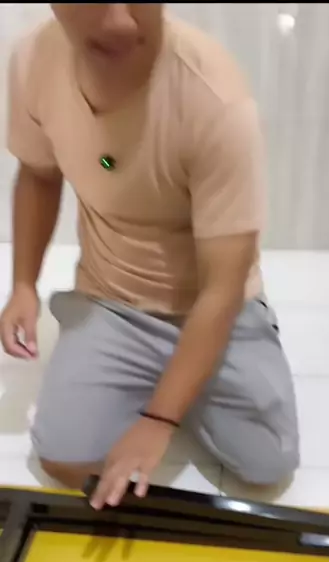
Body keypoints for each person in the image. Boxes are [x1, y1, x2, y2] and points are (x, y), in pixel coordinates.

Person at [1, 3, 299, 510]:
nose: (120, 21)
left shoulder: (215, 99)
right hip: (113, 298)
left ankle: (186, 377)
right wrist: (24, 284)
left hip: (213, 305)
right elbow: (38, 174)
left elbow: (224, 287)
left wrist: (160, 419)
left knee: (268, 464)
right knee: (62, 458)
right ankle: (118, 353)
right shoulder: (34, 60)